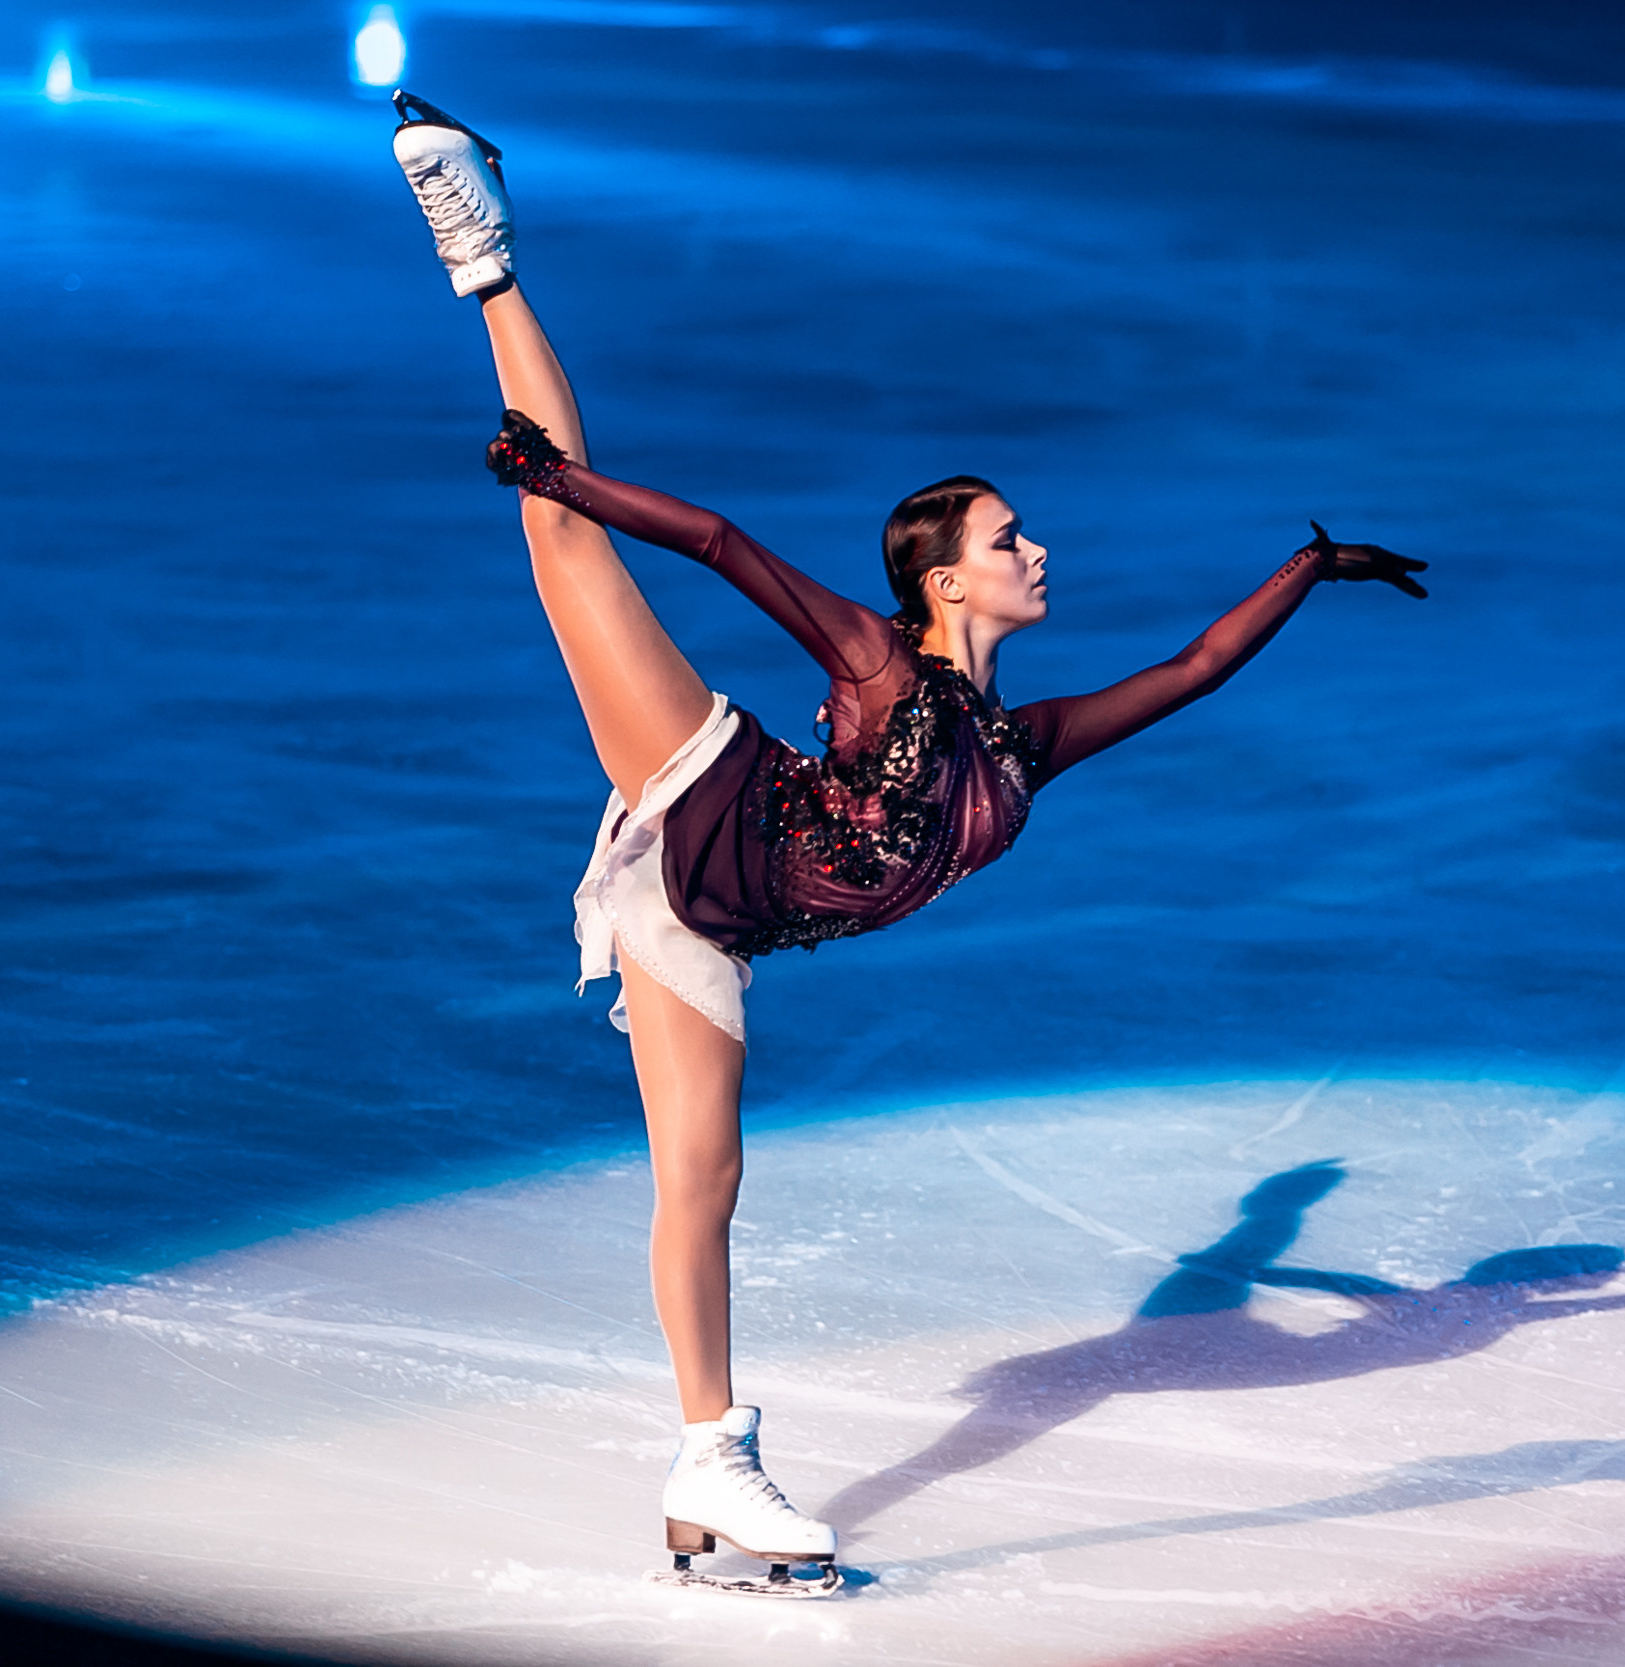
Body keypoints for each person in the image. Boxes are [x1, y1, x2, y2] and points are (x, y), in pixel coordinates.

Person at [388, 93, 1428, 1589]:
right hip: (708, 791)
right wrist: (564, 479)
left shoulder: (1027, 747)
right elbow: (726, 546)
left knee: (703, 1181)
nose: (1037, 552)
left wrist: (1311, 566)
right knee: (565, 549)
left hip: (717, 925)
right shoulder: (880, 665)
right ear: (945, 584)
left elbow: (1194, 670)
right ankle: (482, 251)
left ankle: (705, 1468)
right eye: (1010, 541)